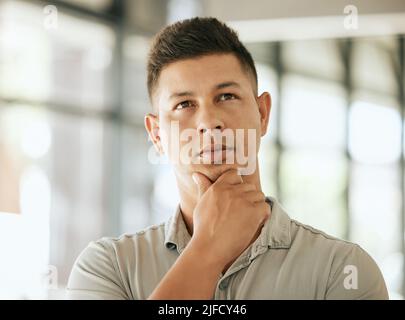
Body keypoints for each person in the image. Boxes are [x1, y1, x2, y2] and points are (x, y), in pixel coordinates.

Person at [66, 17, 388, 300]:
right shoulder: (108, 268)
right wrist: (207, 248)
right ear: (157, 135)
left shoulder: (344, 271)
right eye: (184, 104)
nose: (209, 122)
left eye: (226, 96)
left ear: (262, 114)